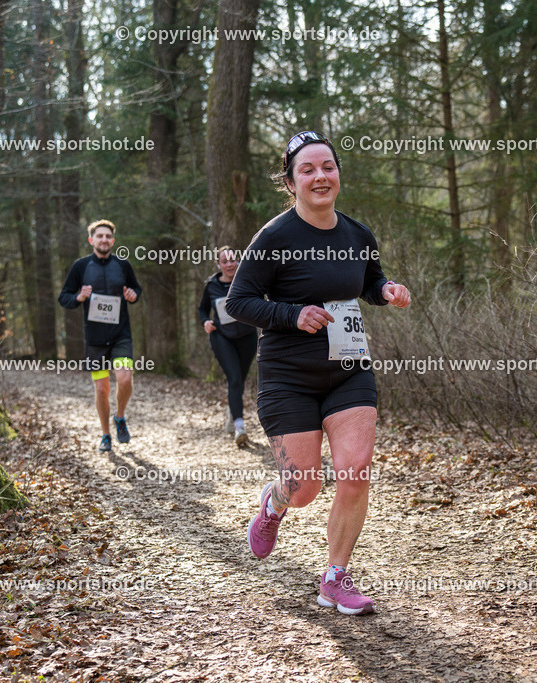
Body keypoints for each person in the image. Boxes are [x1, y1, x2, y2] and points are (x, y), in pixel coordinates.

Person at [226, 131, 411, 615]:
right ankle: (274, 504)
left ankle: (335, 577)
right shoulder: (273, 238)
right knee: (303, 488)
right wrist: (292, 315)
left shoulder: (356, 233)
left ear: (337, 174)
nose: (319, 176)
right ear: (291, 182)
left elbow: (367, 280)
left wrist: (386, 289)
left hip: (349, 370)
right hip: (289, 378)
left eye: (327, 167)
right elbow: (238, 301)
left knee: (357, 470)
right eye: (307, 170)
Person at [58, 220, 142, 452]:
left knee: (125, 379)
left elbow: (137, 289)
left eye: (108, 236)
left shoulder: (123, 265)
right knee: (101, 390)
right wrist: (79, 298)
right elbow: (64, 297)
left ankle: (120, 417)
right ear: (91, 240)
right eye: (99, 236)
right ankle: (105, 435)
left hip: (120, 335)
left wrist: (133, 294)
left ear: (113, 241)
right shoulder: (81, 267)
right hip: (95, 339)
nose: (104, 239)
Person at [198, 246, 258, 448]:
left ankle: (232, 412)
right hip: (222, 337)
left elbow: (259, 301)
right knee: (233, 378)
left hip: (247, 336)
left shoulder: (246, 281)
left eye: (233, 260)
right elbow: (202, 310)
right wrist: (206, 322)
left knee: (239, 380)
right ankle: (240, 427)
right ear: (219, 265)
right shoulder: (211, 286)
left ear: (238, 262)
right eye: (225, 261)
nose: (230, 264)